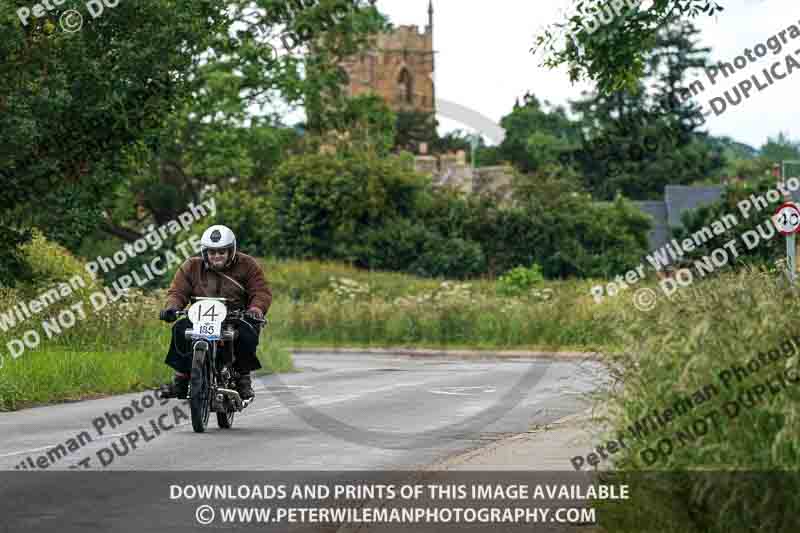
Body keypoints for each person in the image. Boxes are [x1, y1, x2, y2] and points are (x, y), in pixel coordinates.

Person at [158, 224, 272, 401]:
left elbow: (260, 291)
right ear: (205, 252)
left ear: (231, 251)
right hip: (199, 317)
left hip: (235, 317)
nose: (217, 256)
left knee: (247, 332)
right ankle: (181, 378)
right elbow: (177, 292)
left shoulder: (248, 265)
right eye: (212, 252)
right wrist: (172, 308)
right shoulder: (191, 266)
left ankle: (243, 377)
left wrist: (255, 310)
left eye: (221, 252)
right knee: (180, 328)